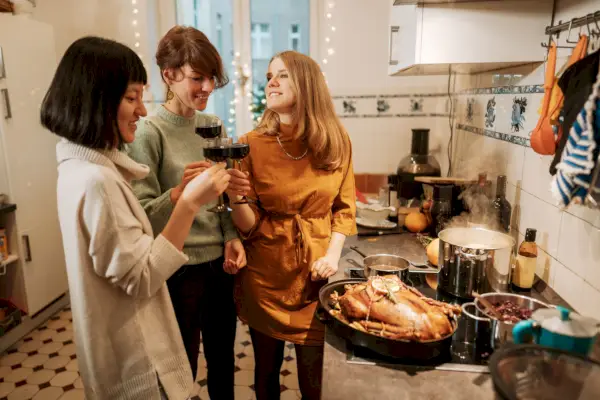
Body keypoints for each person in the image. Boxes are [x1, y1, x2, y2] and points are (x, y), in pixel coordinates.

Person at [41, 36, 230, 400]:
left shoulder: (80, 168)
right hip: (137, 360)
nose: (142, 110)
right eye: (131, 98)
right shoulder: (96, 180)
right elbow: (142, 276)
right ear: (95, 99)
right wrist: (187, 203)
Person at [226, 50, 357, 399]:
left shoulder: (336, 140)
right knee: (265, 379)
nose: (271, 81)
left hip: (315, 278)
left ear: (307, 83)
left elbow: (345, 210)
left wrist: (331, 256)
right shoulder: (249, 144)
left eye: (282, 75)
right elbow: (248, 225)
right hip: (265, 274)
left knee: (314, 384)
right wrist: (235, 196)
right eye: (270, 74)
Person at [126, 26, 244, 399]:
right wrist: (178, 194)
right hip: (178, 271)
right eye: (197, 77)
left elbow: (222, 193)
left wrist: (231, 237)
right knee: (182, 367)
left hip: (219, 267)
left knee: (224, 360)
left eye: (210, 78)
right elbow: (143, 216)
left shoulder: (212, 126)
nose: (207, 87)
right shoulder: (148, 131)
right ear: (169, 75)